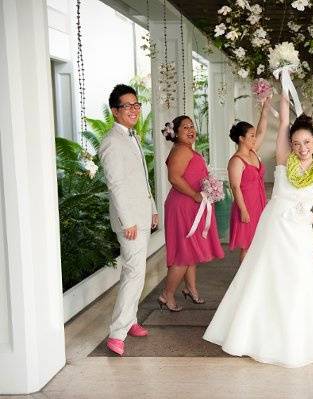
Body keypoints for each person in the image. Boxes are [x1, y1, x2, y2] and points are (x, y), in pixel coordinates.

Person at [203, 95, 313, 368]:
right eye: (297, 143)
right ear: (290, 144)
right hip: (273, 225)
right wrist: (283, 89)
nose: (302, 148)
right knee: (264, 274)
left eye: (307, 142)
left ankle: (294, 334)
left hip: (299, 230)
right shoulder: (282, 159)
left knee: (298, 277)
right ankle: (252, 332)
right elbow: (285, 120)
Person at [99, 84, 159, 356]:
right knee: (134, 273)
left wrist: (153, 208)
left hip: (142, 214)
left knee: (135, 271)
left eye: (136, 105)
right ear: (115, 111)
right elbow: (116, 185)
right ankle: (117, 333)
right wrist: (128, 222)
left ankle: (131, 319)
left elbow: (142, 179)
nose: (134, 110)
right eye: (128, 106)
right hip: (130, 221)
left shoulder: (131, 136)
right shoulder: (111, 142)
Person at [159, 115, 224, 311]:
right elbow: (174, 178)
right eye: (185, 127)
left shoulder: (186, 149)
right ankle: (166, 295)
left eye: (192, 126)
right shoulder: (181, 150)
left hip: (190, 206)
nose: (190, 130)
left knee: (191, 250)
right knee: (184, 253)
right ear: (176, 132)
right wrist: (195, 194)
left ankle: (191, 289)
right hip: (183, 206)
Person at [228, 98, 270, 262]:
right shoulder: (236, 161)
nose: (254, 138)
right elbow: (235, 187)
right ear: (241, 138)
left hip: (259, 202)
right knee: (247, 245)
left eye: (254, 136)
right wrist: (244, 210)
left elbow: (261, 131)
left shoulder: (252, 152)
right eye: (250, 136)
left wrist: (264, 109)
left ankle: (254, 278)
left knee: (258, 242)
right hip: (246, 205)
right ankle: (244, 281)